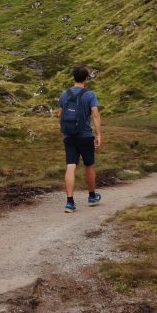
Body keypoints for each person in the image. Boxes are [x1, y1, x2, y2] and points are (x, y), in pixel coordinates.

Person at [56, 65, 102, 213]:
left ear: (73, 77)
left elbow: (60, 115)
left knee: (70, 165)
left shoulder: (65, 93)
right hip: (85, 135)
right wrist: (99, 134)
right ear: (86, 78)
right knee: (89, 165)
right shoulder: (90, 94)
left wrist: (66, 128)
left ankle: (69, 202)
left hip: (69, 136)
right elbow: (95, 115)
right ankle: (92, 196)